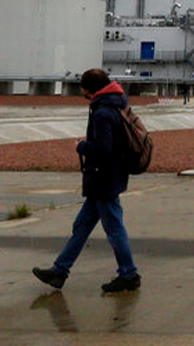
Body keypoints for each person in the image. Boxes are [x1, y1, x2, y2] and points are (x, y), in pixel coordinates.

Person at [33, 68, 140, 293]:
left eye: (82, 87)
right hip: (108, 178)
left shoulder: (102, 112)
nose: (81, 91)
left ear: (90, 89)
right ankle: (59, 271)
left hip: (103, 179)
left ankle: (129, 274)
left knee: (114, 229)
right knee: (81, 227)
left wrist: (81, 147)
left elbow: (103, 149)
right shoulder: (116, 105)